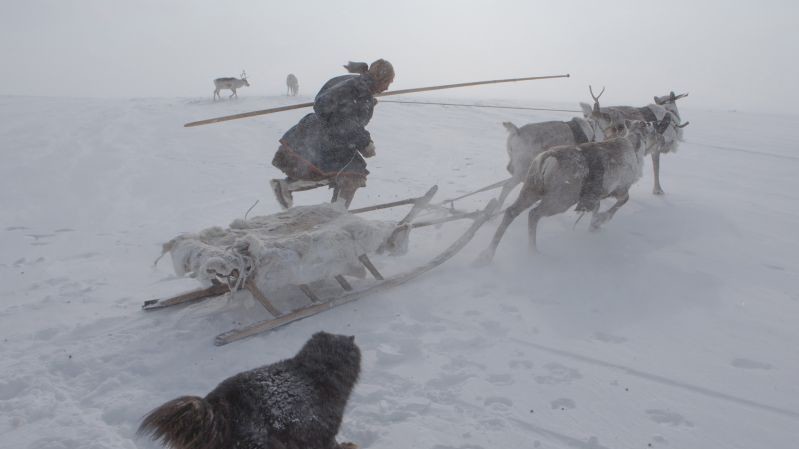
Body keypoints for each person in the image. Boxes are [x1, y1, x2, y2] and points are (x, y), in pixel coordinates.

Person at [270, 59, 395, 209]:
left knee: (330, 173)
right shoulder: (361, 92)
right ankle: (336, 214)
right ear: (380, 79)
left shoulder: (352, 82)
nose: (387, 88)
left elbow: (337, 101)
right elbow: (346, 121)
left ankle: (287, 187)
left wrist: (365, 102)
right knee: (352, 175)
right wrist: (365, 142)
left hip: (313, 130)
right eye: (388, 82)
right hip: (328, 139)